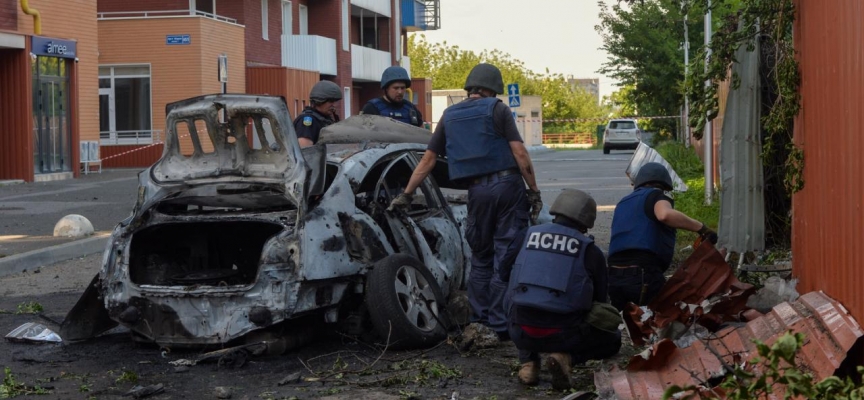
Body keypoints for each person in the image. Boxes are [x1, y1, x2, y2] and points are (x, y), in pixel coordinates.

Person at [387, 63, 543, 340]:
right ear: (493, 89)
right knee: (505, 255)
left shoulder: (449, 115)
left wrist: (407, 194)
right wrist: (533, 190)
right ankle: (499, 324)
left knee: (481, 258)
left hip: (477, 193)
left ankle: (479, 319)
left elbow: (428, 160)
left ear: (470, 89)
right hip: (507, 187)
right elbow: (519, 152)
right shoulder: (498, 109)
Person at [500, 189, 622, 389]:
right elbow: (600, 301)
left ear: (556, 212)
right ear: (586, 222)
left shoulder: (527, 235)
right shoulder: (590, 250)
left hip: (520, 331)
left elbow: (504, 273)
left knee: (515, 297)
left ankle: (529, 363)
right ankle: (566, 357)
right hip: (565, 335)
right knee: (612, 338)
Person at [607, 162, 718, 311]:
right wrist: (701, 228)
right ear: (664, 185)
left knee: (623, 324)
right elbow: (664, 215)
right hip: (642, 276)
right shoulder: (656, 195)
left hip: (613, 277)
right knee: (662, 320)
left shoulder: (623, 203)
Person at [293, 80, 343, 147]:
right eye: (331, 101)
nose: (334, 105)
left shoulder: (325, 119)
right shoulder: (308, 120)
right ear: (319, 101)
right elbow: (305, 150)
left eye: (335, 101)